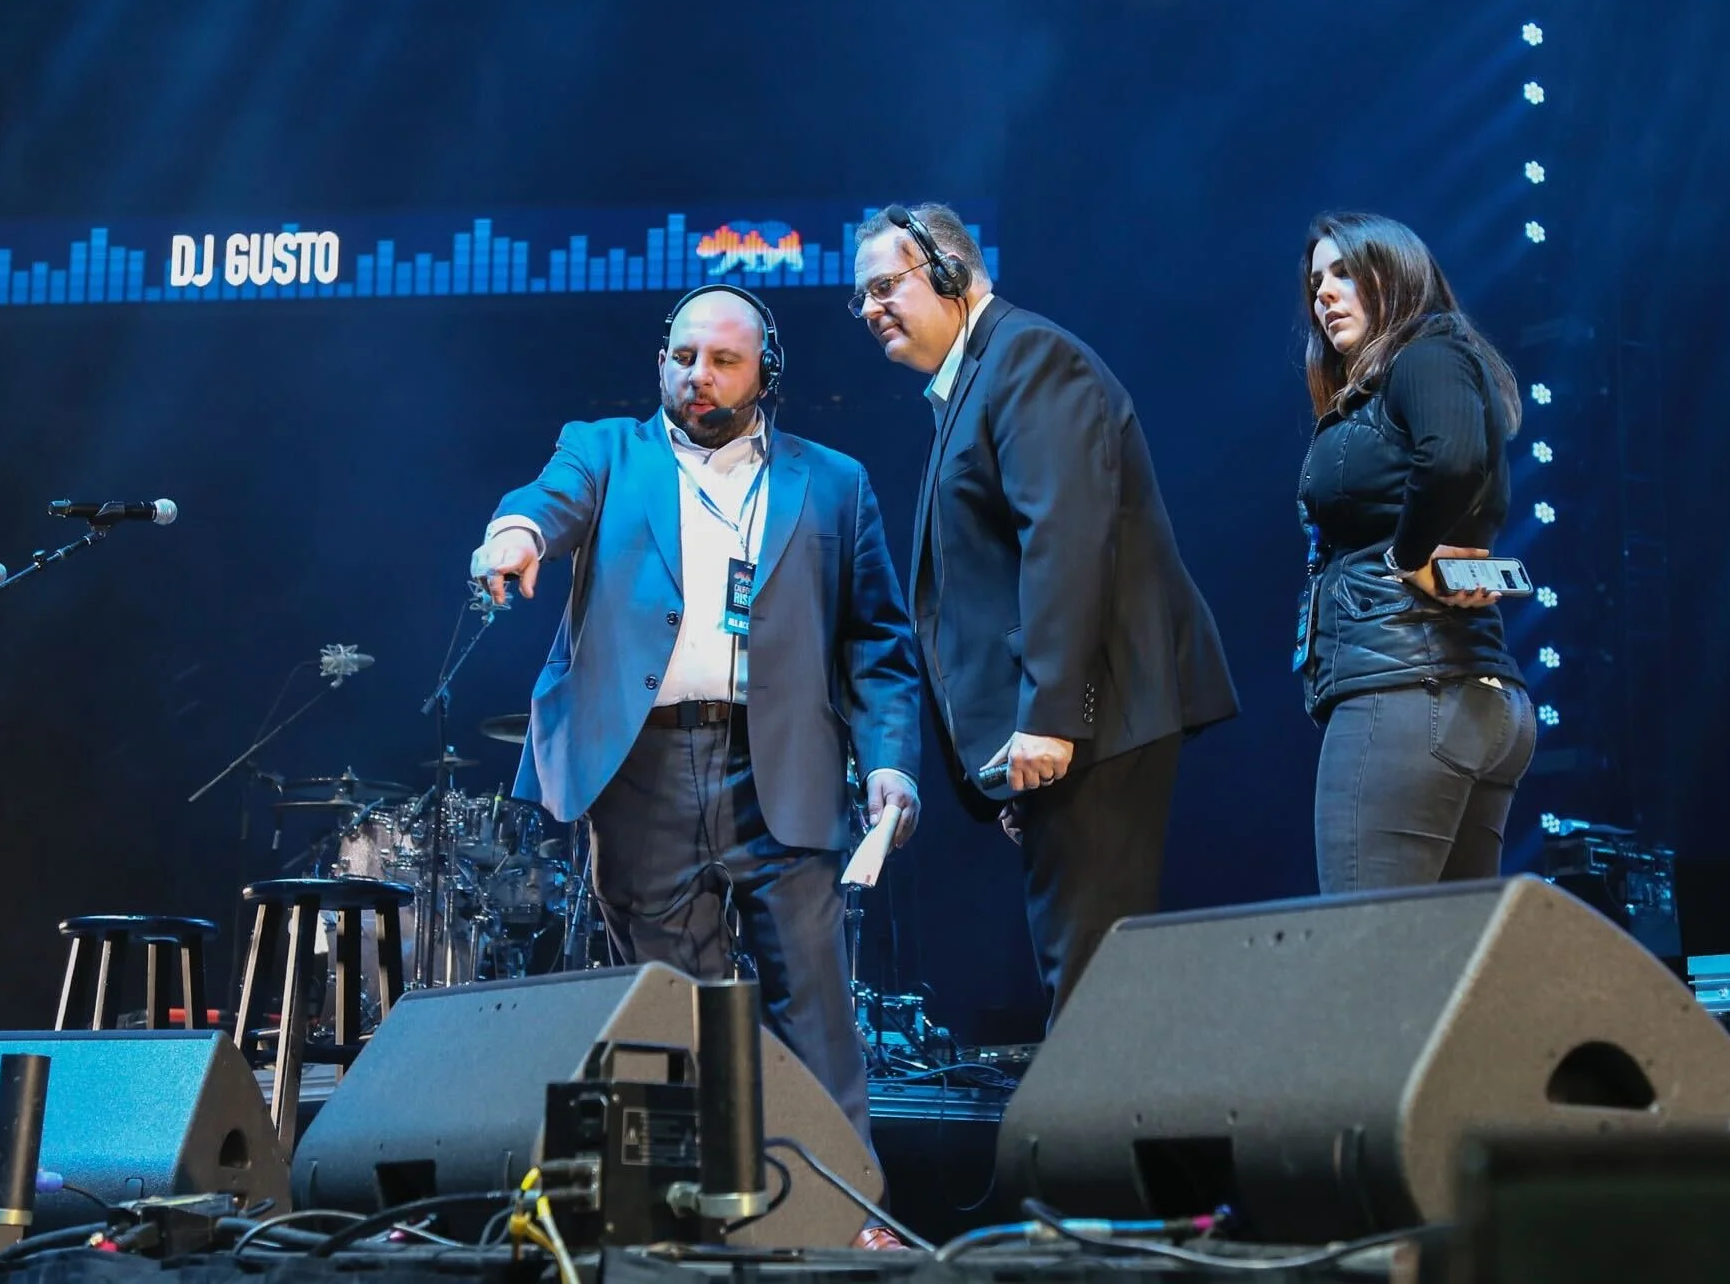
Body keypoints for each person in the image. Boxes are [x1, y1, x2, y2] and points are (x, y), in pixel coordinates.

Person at [468, 284, 921, 1144]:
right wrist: (516, 535)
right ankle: (691, 1202)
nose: (698, 376)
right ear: (661, 363)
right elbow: (547, 501)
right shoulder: (605, 451)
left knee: (817, 1020)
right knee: (671, 1027)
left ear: (766, 373)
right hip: (643, 771)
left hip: (781, 765)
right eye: (683, 357)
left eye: (722, 360)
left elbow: (878, 642)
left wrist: (890, 761)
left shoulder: (834, 482)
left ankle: (840, 1203)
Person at [850, 202, 1238, 1019]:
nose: (871, 309)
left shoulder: (1027, 358)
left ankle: (1103, 1112)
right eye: (863, 297)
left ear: (952, 273)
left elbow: (1066, 542)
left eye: (885, 286)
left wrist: (1052, 720)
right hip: (1073, 732)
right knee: (1087, 972)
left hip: (1094, 721)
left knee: (1092, 985)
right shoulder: (978, 378)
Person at [1295, 210, 1537, 893]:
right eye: (1316, 282)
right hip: (1464, 696)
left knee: (1367, 943)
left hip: (1407, 692)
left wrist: (1407, 556)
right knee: (1446, 951)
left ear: (1396, 275)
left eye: (1345, 272)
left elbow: (1451, 459)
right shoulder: (1410, 375)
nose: (1324, 293)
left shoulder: (1428, 352)